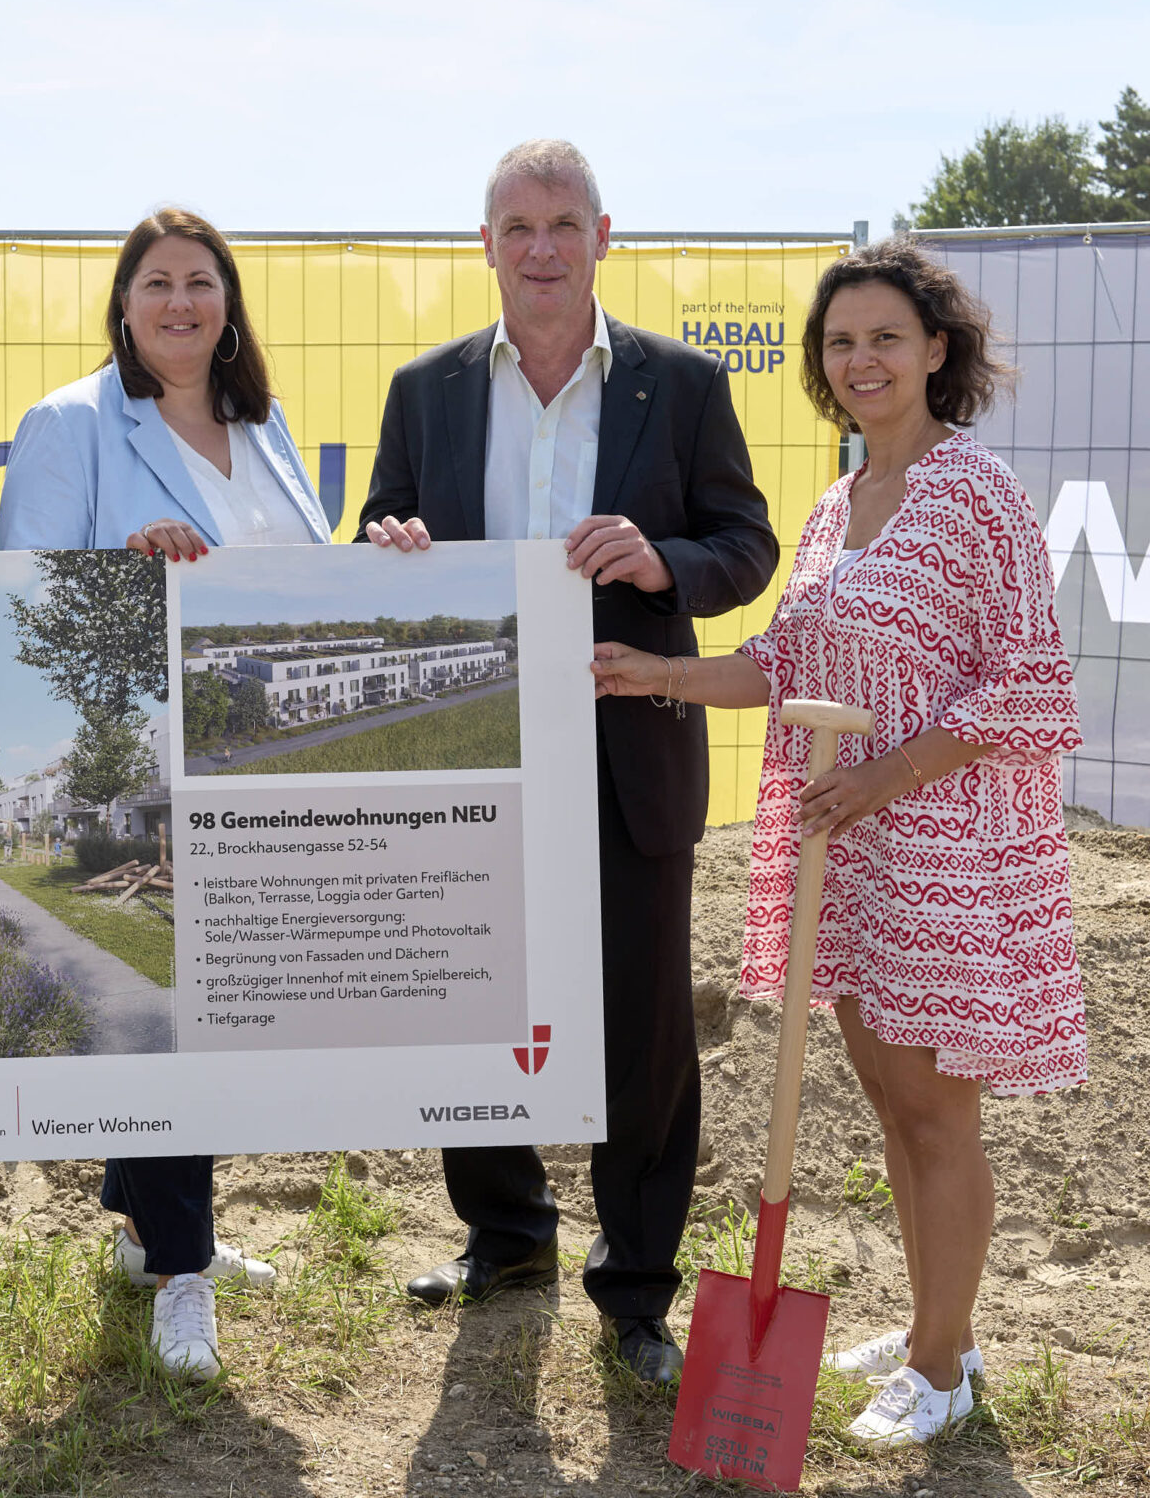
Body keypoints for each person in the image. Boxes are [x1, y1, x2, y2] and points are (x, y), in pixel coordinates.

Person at [591, 239, 1084, 1448]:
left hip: (944, 847)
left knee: (932, 1108)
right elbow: (781, 666)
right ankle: (937, 1321)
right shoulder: (834, 503)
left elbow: (1037, 680)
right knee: (888, 1090)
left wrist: (891, 773)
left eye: (884, 338)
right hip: (849, 850)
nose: (860, 360)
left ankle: (941, 1361)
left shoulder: (973, 491)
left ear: (935, 352)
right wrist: (652, 671)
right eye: (839, 342)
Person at [357, 141, 778, 1384]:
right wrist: (394, 545)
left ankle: (635, 1288)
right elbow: (375, 533)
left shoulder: (681, 384)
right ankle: (507, 1237)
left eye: (561, 223)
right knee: (471, 1001)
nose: (539, 246)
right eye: (515, 225)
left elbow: (746, 545)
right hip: (467, 749)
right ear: (482, 245)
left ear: (605, 235)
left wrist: (662, 564)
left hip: (627, 750)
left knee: (641, 1027)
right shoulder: (425, 389)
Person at [0, 204, 329, 1379]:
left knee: (221, 1006)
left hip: (257, 759)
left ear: (228, 303)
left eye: (200, 281)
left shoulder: (265, 425)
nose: (180, 302)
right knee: (172, 1015)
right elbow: (27, 592)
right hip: (151, 759)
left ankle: (150, 1235)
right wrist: (121, 571)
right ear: (123, 305)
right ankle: (182, 1275)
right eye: (156, 284)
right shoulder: (70, 424)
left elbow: (299, 578)